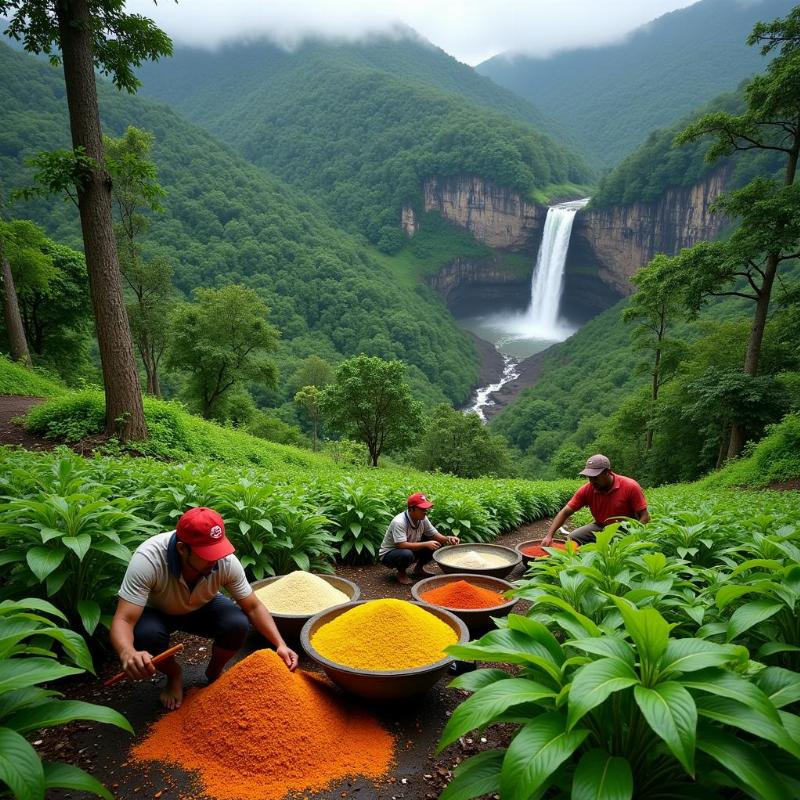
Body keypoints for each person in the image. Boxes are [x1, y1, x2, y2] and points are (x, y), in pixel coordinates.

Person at [110, 506, 298, 710]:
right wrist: (128, 653)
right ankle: (174, 675)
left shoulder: (224, 561)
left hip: (203, 605)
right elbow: (124, 619)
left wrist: (280, 644)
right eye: (207, 553)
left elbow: (253, 606)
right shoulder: (148, 559)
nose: (216, 559)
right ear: (182, 549)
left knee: (237, 623)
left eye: (217, 550)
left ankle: (214, 671)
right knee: (146, 635)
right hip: (159, 611)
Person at [541, 454, 650, 546]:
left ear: (608, 472)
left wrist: (633, 538)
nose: (592, 481)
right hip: (601, 526)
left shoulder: (630, 486)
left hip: (626, 529)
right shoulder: (587, 489)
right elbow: (565, 512)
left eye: (595, 477)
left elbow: (645, 517)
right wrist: (549, 535)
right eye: (589, 477)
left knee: (617, 548)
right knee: (572, 539)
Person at [379, 492, 460, 585]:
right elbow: (401, 545)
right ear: (411, 509)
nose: (425, 511)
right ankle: (401, 574)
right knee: (406, 554)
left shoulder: (423, 518)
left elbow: (434, 534)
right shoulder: (399, 522)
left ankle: (418, 569)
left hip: (409, 548)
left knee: (436, 543)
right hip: (390, 554)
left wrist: (448, 539)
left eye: (426, 509)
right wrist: (426, 544)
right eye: (422, 509)